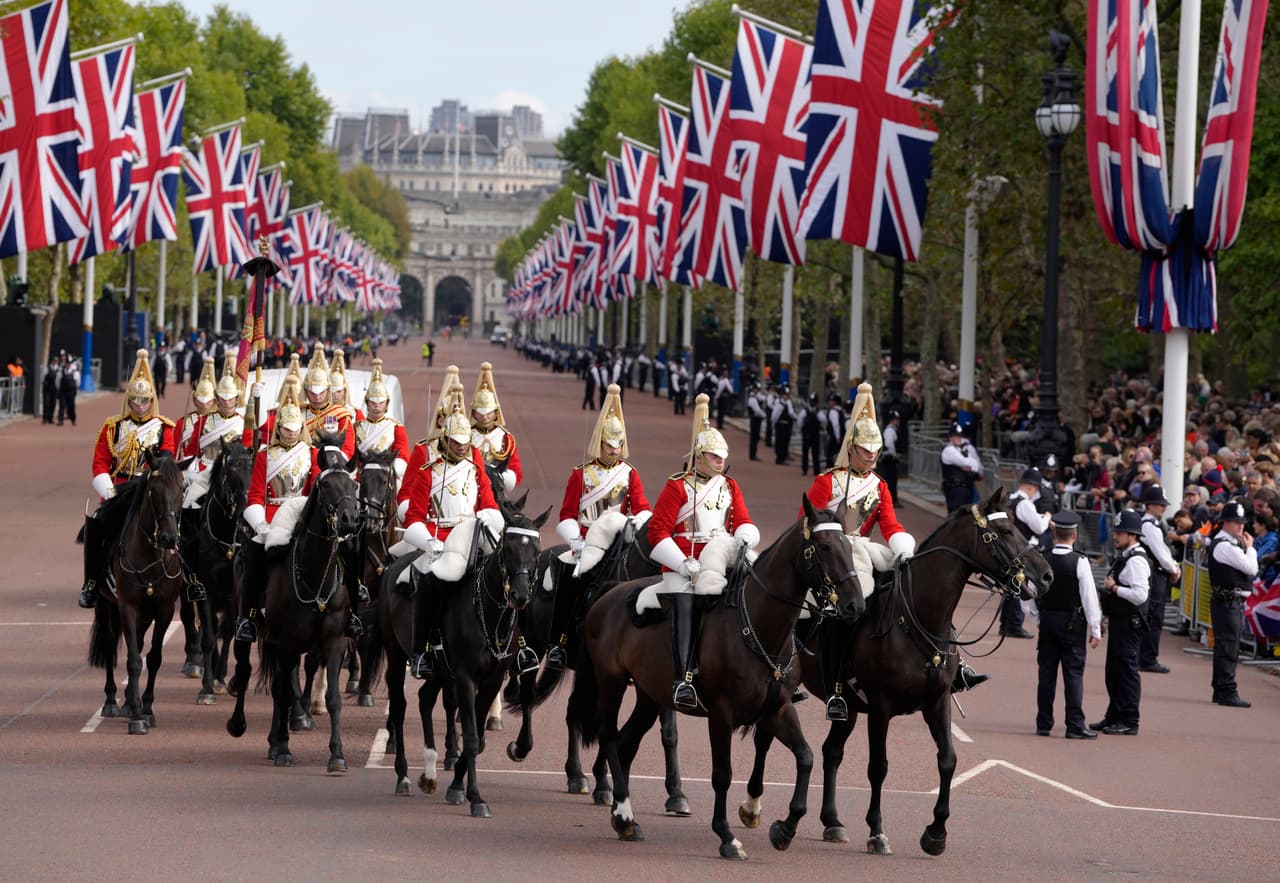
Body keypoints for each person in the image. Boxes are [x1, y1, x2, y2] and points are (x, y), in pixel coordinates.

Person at [647, 394, 759, 709]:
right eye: (714, 456)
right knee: (686, 601)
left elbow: (742, 521)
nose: (720, 462)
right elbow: (657, 533)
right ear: (699, 456)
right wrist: (682, 563)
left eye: (723, 457)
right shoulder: (677, 486)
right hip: (687, 560)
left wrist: (745, 537)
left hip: (723, 554)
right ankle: (683, 678)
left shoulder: (729, 486)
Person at [402, 405, 504, 679]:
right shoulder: (428, 472)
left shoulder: (476, 469)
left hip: (473, 536)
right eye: (456, 442)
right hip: (441, 540)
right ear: (445, 440)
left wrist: (486, 516)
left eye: (465, 442)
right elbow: (413, 517)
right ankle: (421, 651)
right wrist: (428, 541)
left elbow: (490, 505)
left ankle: (513, 644)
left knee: (507, 572)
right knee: (429, 585)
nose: (461, 447)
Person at [79, 349, 179, 608]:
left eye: (145, 401)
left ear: (151, 400)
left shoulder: (163, 428)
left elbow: (167, 461)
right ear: (128, 400)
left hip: (149, 488)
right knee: (97, 525)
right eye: (135, 400)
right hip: (120, 489)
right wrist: (109, 491)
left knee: (177, 522)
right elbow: (100, 463)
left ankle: (188, 580)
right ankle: (91, 582)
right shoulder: (113, 427)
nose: (140, 406)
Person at [234, 383, 322, 643]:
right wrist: (260, 524)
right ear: (278, 428)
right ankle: (248, 617)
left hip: (302, 517)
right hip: (272, 519)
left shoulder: (312, 454)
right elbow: (255, 495)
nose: (291, 434)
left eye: (295, 429)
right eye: (286, 429)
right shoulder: (265, 456)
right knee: (252, 557)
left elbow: (315, 493)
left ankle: (348, 609)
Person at [556, 383, 651, 554]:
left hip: (619, 542)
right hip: (588, 541)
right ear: (600, 443)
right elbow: (568, 514)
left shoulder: (629, 473)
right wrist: (576, 541)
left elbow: (642, 508)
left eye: (618, 445)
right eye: (609, 445)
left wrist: (638, 522)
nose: (614, 450)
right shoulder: (580, 473)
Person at [1034, 511, 1103, 739]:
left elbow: (1028, 593)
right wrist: (1095, 628)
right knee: (1073, 674)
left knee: (1046, 674)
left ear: (1054, 533)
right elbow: (1089, 597)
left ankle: (1043, 723)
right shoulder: (1079, 561)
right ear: (1074, 534)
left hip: (1048, 621)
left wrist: (1037, 618)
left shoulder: (1043, 558)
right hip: (1072, 624)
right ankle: (1074, 725)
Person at [1090, 509, 1151, 735]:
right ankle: (1114, 715)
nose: (1115, 536)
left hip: (1129, 623)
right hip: (1120, 621)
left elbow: (1140, 595)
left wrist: (1115, 588)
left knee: (1126, 672)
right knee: (1114, 673)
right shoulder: (1126, 556)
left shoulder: (1136, 561)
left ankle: (1129, 720)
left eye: (1120, 532)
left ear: (1132, 535)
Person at [1205, 501, 1256, 708]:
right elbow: (1251, 568)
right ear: (1225, 522)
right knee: (1228, 646)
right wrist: (1251, 549)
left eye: (1242, 522)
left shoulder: (1228, 544)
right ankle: (1226, 690)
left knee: (1227, 646)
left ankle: (1221, 689)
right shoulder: (1225, 545)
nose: (1241, 526)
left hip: (1228, 602)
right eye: (1236, 522)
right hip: (1227, 602)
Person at [1002, 468, 1050, 639]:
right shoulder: (1025, 504)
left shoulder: (1009, 500)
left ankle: (1006, 624)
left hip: (1009, 549)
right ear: (1031, 487)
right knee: (1020, 587)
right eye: (1036, 489)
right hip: (1023, 550)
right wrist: (1047, 517)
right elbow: (1039, 527)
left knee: (1011, 587)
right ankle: (1014, 624)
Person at [1137, 485, 1180, 674]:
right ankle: (1148, 658)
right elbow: (1161, 553)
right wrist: (1174, 568)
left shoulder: (1151, 524)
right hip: (1155, 577)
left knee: (1151, 616)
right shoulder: (1149, 526)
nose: (1163, 507)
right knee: (1154, 618)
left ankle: (1144, 656)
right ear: (1150, 505)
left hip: (1154, 575)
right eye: (1159, 504)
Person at [471, 361, 523, 495]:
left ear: (495, 413)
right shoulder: (467, 435)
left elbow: (515, 469)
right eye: (480, 413)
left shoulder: (506, 438)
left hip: (496, 489)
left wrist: (499, 478)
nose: (485, 417)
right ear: (474, 413)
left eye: (489, 413)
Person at [354, 359, 409, 482]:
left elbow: (403, 455)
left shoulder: (396, 427)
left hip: (386, 477)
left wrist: (391, 470)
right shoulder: (356, 427)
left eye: (381, 403)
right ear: (367, 403)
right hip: (361, 478)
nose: (377, 406)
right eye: (373, 402)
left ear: (386, 403)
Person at [300, 343, 355, 459]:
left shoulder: (340, 414)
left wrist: (337, 462)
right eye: (313, 393)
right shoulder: (298, 411)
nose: (317, 398)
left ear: (328, 390)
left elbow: (348, 447)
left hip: (331, 463)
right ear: (306, 391)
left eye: (321, 393)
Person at [940, 423, 982, 512]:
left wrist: (969, 466)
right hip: (955, 489)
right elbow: (966, 462)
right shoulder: (949, 450)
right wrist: (968, 465)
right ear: (950, 438)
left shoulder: (961, 450)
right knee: (956, 515)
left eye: (960, 436)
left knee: (967, 516)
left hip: (966, 487)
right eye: (956, 436)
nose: (959, 438)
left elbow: (976, 465)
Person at [328, 349, 364, 423]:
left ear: (344, 391)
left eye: (338, 391)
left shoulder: (355, 412)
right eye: (332, 391)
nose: (335, 394)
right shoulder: (320, 411)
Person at [878, 409, 902, 505]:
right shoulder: (890, 430)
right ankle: (891, 500)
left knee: (892, 479)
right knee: (890, 479)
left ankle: (892, 499)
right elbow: (889, 444)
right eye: (896, 419)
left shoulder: (892, 429)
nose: (898, 421)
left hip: (890, 457)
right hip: (889, 458)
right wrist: (895, 455)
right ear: (892, 420)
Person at [771, 385, 797, 465]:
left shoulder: (787, 403)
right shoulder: (779, 404)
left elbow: (791, 413)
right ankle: (779, 458)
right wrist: (774, 423)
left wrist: (796, 417)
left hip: (786, 425)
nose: (787, 396)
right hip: (780, 425)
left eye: (787, 395)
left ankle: (783, 457)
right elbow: (774, 416)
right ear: (782, 395)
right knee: (780, 442)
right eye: (785, 395)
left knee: (785, 442)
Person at [799, 392, 822, 476]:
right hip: (807, 434)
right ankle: (805, 469)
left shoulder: (818, 412)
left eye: (813, 401)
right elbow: (800, 422)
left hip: (814, 435)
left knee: (815, 453)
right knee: (805, 453)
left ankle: (816, 470)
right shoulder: (805, 411)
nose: (812, 403)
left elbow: (823, 420)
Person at [821, 393, 845, 472]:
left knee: (830, 454)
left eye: (831, 401)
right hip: (840, 436)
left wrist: (837, 437)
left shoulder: (833, 411)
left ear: (835, 402)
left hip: (835, 437)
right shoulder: (840, 410)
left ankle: (830, 471)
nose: (829, 403)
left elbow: (836, 425)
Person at [746, 383, 766, 461]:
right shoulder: (752, 399)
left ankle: (753, 454)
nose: (757, 391)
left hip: (757, 419)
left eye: (758, 389)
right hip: (755, 419)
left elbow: (763, 398)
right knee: (754, 437)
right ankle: (752, 455)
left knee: (756, 437)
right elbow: (757, 410)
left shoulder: (756, 397)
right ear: (753, 389)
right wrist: (764, 415)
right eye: (756, 389)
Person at [57, 355, 79, 426]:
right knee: (62, 405)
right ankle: (60, 420)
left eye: (69, 363)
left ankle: (73, 420)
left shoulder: (75, 372)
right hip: (63, 391)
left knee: (71, 406)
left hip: (71, 391)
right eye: (67, 363)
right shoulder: (61, 371)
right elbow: (57, 381)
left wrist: (74, 389)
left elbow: (77, 382)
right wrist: (59, 389)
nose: (68, 364)